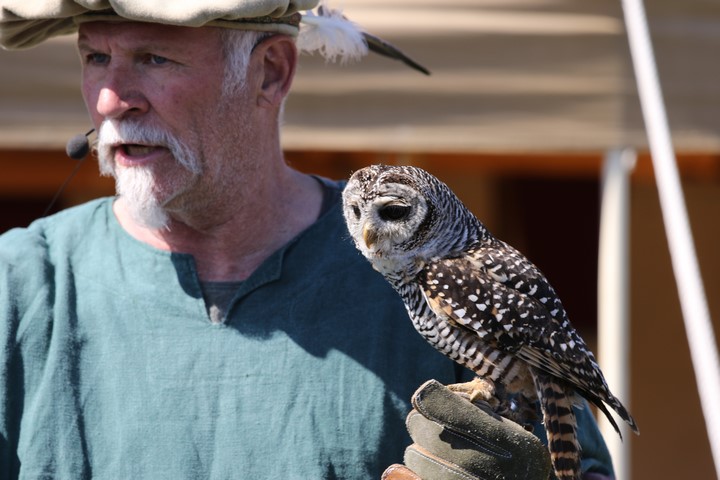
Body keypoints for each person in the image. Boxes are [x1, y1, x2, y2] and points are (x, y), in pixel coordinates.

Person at [0, 1, 615, 478]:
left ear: (270, 72)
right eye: (94, 57)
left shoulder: (424, 253)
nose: (110, 99)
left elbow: (574, 461)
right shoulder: (19, 285)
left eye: (156, 59)